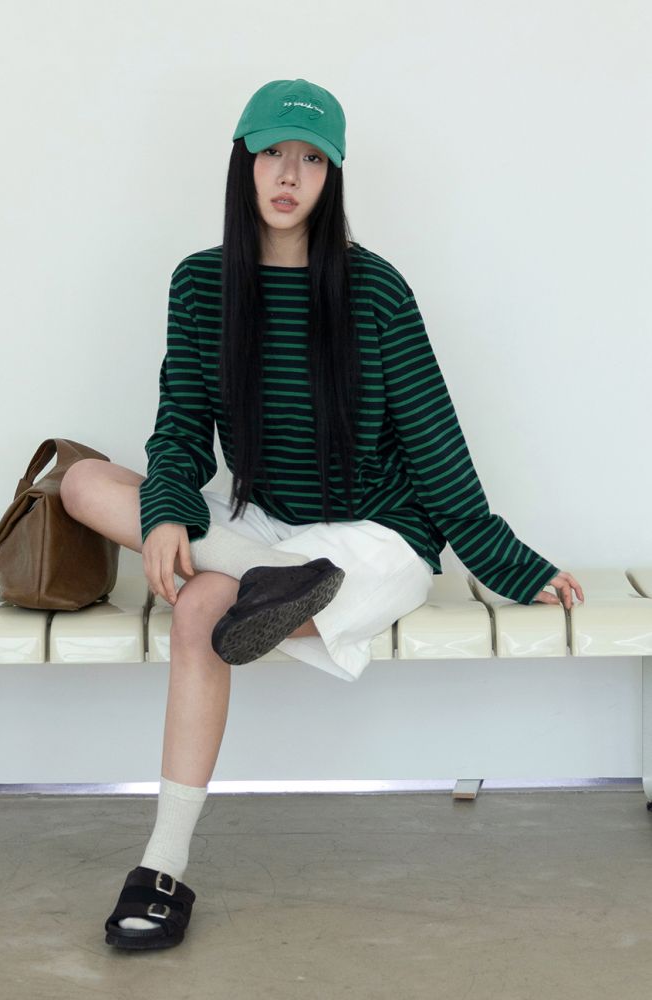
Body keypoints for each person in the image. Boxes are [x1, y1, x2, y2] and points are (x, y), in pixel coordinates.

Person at [59, 77, 584, 951]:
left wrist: (511, 565)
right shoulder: (200, 284)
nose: (289, 174)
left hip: (376, 535)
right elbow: (181, 428)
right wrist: (165, 514)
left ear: (333, 175)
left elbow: (435, 445)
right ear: (244, 162)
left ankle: (163, 861)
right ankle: (267, 596)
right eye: (273, 152)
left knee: (205, 605)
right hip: (266, 526)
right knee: (83, 484)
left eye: (310, 158)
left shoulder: (374, 288)